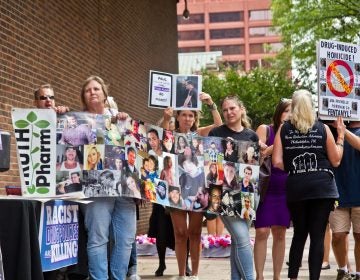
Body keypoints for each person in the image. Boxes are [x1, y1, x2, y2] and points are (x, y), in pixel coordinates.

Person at [272, 89, 345, 280]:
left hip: (297, 187)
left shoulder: (284, 128)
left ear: (294, 107)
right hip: (322, 188)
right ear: (311, 107)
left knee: (299, 234)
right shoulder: (322, 128)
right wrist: (341, 138)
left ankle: (293, 277)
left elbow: (277, 162)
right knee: (317, 236)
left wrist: (295, 167)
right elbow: (336, 160)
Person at [80, 75, 137, 279]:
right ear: (84, 96)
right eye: (88, 90)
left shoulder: (118, 118)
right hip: (96, 186)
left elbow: (135, 147)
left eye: (97, 89)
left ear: (105, 94)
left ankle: (118, 277)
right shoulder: (77, 120)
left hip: (123, 186)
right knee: (98, 238)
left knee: (126, 239)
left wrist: (126, 122)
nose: (93, 92)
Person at [163, 91, 222, 280]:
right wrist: (166, 118)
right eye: (184, 115)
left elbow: (219, 126)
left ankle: (195, 274)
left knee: (195, 232)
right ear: (178, 117)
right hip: (176, 189)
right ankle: (181, 274)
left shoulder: (200, 133)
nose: (188, 118)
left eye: (191, 115)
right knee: (180, 233)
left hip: (198, 190)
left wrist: (211, 103)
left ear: (195, 118)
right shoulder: (171, 135)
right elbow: (161, 139)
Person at [208, 95, 258, 280]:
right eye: (225, 110)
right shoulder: (216, 133)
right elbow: (211, 166)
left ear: (241, 109)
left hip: (245, 194)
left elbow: (252, 168)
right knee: (244, 240)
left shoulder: (251, 135)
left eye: (232, 108)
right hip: (223, 194)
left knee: (238, 241)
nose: (229, 112)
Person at [254, 98, 292, 280]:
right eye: (286, 110)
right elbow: (256, 151)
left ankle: (277, 276)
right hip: (266, 188)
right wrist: (272, 146)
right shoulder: (265, 129)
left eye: (293, 111)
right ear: (279, 113)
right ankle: (259, 276)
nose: (289, 114)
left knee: (280, 233)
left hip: (286, 188)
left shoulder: (296, 133)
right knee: (262, 231)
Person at [328, 119, 360, 280]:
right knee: (338, 236)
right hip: (337, 193)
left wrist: (343, 130)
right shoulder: (329, 130)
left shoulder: (341, 130)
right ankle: (343, 270)